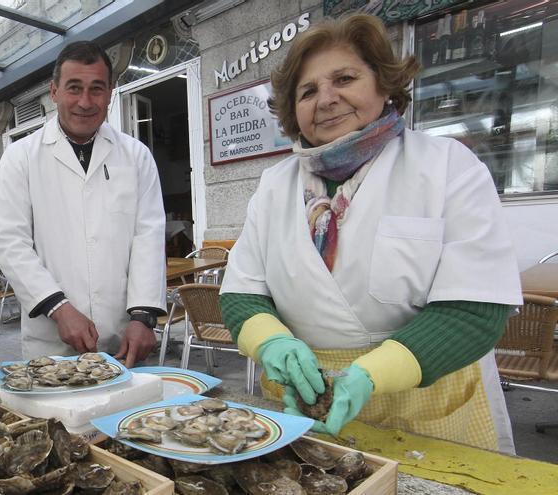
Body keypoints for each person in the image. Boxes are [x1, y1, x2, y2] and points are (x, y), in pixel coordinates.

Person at [219, 14, 521, 453]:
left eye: (345, 78)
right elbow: (241, 294)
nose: (326, 99)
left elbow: (475, 310)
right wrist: (274, 344)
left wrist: (370, 374)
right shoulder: (273, 186)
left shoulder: (446, 166)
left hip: (425, 400)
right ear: (292, 110)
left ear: (383, 84)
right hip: (304, 401)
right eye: (307, 91)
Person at [0, 41, 166, 367]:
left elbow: (149, 238)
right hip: (51, 343)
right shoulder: (21, 158)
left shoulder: (136, 157)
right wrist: (59, 308)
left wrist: (143, 317)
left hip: (124, 341)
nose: (85, 102)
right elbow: (10, 243)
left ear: (111, 93)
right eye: (74, 88)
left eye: (96, 89)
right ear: (54, 91)